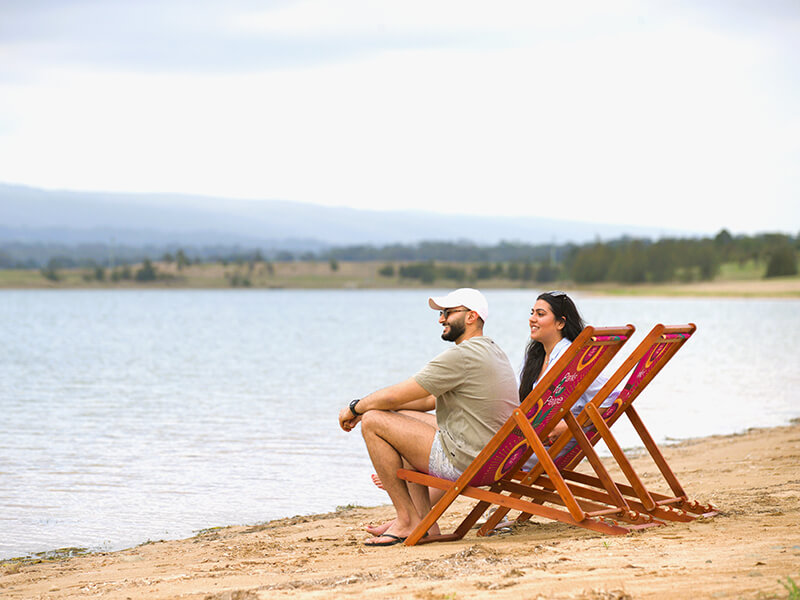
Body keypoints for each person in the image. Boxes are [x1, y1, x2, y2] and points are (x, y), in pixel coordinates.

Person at [338, 288, 518, 547]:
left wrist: (356, 408)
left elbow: (394, 395)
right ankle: (425, 521)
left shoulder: (462, 356)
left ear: (471, 317)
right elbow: (425, 401)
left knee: (375, 421)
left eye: (447, 313)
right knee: (399, 415)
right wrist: (377, 408)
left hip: (469, 462)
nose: (441, 319)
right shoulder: (491, 350)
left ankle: (406, 519)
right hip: (492, 455)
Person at [520, 290, 619, 466]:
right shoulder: (536, 356)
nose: (532, 319)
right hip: (536, 441)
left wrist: (568, 427)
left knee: (481, 455)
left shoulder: (574, 358)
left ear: (560, 323)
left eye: (540, 314)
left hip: (556, 446)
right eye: (532, 313)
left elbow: (611, 397)